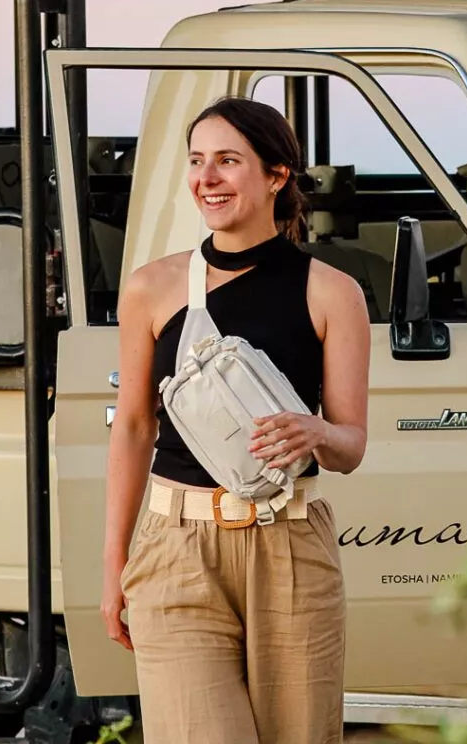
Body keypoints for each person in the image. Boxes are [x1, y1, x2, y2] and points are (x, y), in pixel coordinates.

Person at [101, 96, 370, 744]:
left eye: (227, 161)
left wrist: (317, 433)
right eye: (196, 162)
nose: (206, 178)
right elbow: (134, 427)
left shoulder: (331, 292)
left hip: (291, 550)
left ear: (276, 175)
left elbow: (351, 442)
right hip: (176, 548)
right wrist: (113, 568)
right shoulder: (150, 289)